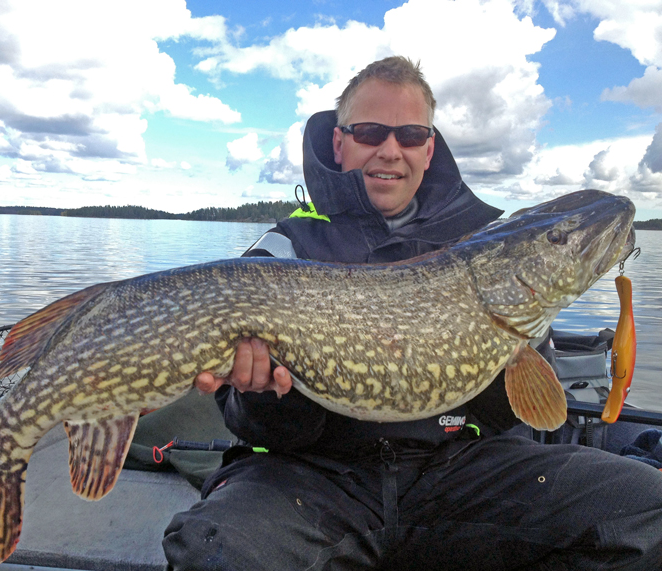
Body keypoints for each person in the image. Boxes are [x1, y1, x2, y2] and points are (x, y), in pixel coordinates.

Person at [162, 56, 662, 570]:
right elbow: (254, 427)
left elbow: (516, 416)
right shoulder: (283, 252)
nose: (389, 150)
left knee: (647, 511)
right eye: (370, 131)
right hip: (311, 482)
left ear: (429, 147)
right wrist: (269, 398)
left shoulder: (478, 250)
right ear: (339, 143)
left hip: (456, 472)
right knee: (214, 549)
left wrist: (516, 343)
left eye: (409, 134)